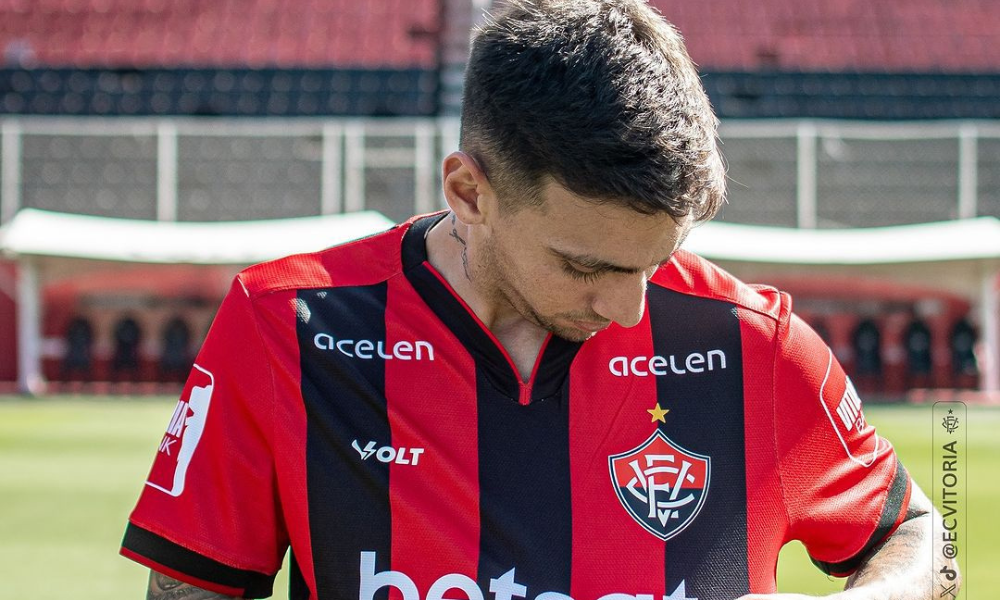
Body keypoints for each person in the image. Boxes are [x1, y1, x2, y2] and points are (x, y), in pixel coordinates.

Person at [121, 1, 959, 599]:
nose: (631, 308)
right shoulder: (288, 327)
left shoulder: (754, 343)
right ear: (470, 192)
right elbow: (192, 589)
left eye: (659, 260)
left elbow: (922, 540)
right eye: (586, 265)